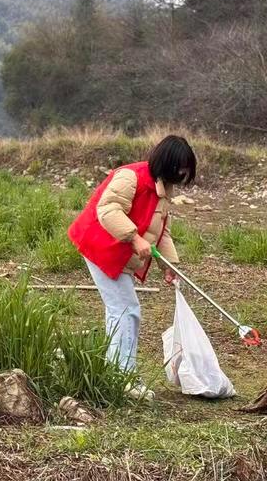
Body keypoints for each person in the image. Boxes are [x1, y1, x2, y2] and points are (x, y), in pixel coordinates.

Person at [67, 135, 196, 400]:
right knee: (126, 309)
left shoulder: (163, 190)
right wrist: (135, 238)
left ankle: (114, 371)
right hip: (100, 246)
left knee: (120, 310)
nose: (183, 175)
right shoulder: (131, 177)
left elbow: (161, 230)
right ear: (168, 163)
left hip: (120, 251)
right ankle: (122, 378)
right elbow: (109, 210)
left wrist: (169, 265)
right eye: (181, 169)